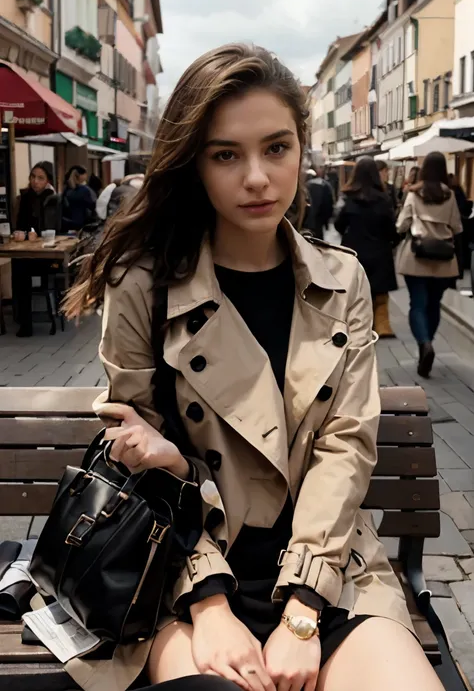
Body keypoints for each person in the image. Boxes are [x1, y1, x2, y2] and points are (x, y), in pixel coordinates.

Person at [63, 44, 443, 691]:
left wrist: (301, 611)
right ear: (195, 164)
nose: (259, 177)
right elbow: (133, 460)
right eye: (226, 154)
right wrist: (209, 603)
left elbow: (344, 442)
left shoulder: (339, 276)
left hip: (329, 569)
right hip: (182, 570)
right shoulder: (145, 284)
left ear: (301, 147)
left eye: (276, 147)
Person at [396, 152, 462, 378]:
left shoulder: (414, 194)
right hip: (444, 259)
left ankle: (424, 344)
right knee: (434, 304)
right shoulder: (450, 195)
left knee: (418, 304)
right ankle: (429, 342)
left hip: (417, 256)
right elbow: (456, 226)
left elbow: (402, 225)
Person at [335, 157, 399, 338]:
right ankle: (382, 326)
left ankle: (358, 327)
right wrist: (392, 241)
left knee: (356, 292)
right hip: (379, 251)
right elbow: (390, 227)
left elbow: (339, 224)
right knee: (380, 294)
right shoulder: (384, 199)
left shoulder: (349, 198)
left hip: (354, 251)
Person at [12, 162, 59, 337]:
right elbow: (20, 224)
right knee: (18, 266)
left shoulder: (52, 198)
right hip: (28, 251)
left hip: (50, 258)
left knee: (22, 268)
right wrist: (21, 233)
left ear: (47, 180)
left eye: (40, 178)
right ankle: (23, 320)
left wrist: (36, 234)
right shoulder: (25, 197)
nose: (35, 181)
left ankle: (26, 321)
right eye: (32, 177)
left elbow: (52, 226)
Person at [61, 165, 97, 231]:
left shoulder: (66, 190)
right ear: (81, 176)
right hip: (80, 223)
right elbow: (92, 205)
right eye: (85, 174)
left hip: (66, 223)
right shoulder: (84, 190)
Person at [302, 168, 334, 239]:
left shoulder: (303, 187)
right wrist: (326, 221)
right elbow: (329, 205)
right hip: (319, 221)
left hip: (305, 223)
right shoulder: (325, 185)